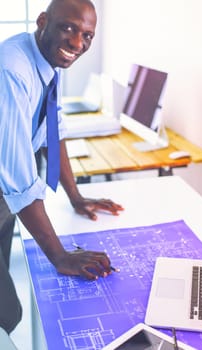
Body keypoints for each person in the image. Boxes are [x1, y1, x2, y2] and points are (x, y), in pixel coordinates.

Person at [0, 0, 123, 334]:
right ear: (43, 21)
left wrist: (75, 196)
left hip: (4, 204)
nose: (77, 43)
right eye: (68, 28)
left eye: (87, 35)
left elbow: (52, 131)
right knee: (7, 314)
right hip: (6, 191)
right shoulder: (11, 69)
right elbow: (18, 178)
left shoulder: (45, 59)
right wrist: (59, 256)